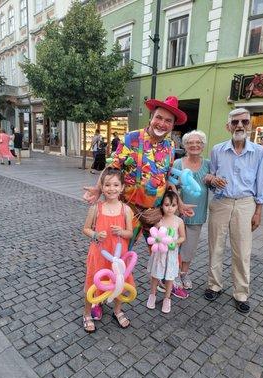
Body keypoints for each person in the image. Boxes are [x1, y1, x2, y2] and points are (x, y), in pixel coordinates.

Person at [84, 96, 195, 320]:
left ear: (173, 125)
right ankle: (100, 295)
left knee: (166, 250)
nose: (162, 124)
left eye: (168, 121)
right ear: (151, 117)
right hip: (130, 211)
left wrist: (178, 203)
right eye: (159, 118)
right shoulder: (133, 138)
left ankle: (166, 285)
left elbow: (167, 178)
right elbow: (113, 166)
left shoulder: (171, 145)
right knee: (116, 255)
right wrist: (99, 189)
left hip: (156, 213)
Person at [204, 108, 263, 314]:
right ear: (228, 126)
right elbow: (211, 177)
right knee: (216, 247)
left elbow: (261, 183)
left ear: (250, 125)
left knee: (242, 251)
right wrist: (213, 180)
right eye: (235, 122)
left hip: (245, 204)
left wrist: (258, 211)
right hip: (221, 203)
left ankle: (241, 293)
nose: (240, 125)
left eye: (244, 122)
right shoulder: (217, 150)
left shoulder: (258, 152)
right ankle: (214, 285)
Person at [83, 167, 135, 332]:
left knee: (119, 282)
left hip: (118, 256)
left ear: (122, 187)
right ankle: (87, 313)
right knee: (92, 282)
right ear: (102, 187)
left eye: (115, 185)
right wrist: (96, 235)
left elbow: (130, 233)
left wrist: (122, 232)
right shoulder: (96, 208)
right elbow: (86, 229)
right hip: (99, 253)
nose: (111, 188)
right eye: (107, 185)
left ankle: (117, 310)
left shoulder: (126, 210)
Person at [169, 130, 210, 298]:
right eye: (190, 143)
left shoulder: (208, 164)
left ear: (203, 145)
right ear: (185, 146)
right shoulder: (178, 163)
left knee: (190, 246)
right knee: (174, 245)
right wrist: (179, 202)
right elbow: (170, 184)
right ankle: (174, 274)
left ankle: (184, 273)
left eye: (198, 142)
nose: (194, 145)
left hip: (197, 212)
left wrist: (213, 178)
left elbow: (213, 183)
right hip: (178, 212)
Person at [147, 190, 185, 313]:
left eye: (173, 205)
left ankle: (167, 299)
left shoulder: (179, 221)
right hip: (159, 254)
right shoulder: (159, 220)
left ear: (177, 206)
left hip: (172, 254)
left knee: (169, 277)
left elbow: (183, 237)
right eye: (167, 205)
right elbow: (154, 234)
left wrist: (175, 242)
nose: (170, 208)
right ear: (162, 205)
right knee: (155, 275)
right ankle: (152, 295)